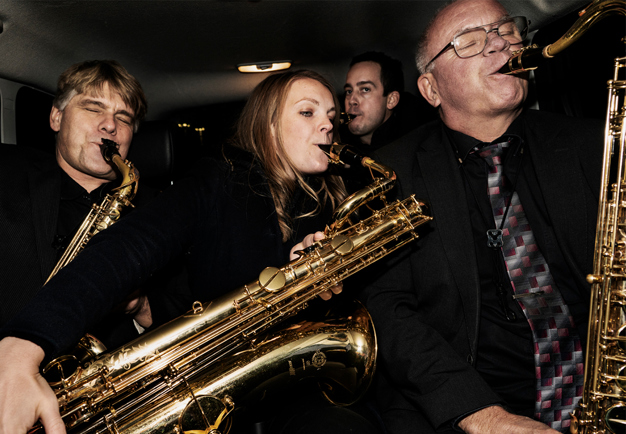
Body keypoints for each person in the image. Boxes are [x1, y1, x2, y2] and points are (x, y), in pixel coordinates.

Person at [0, 69, 380, 434]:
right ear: (268, 125)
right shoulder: (217, 179)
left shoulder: (336, 201)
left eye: (331, 115)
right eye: (307, 112)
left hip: (297, 387)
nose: (329, 124)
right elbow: (129, 248)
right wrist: (24, 345)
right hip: (210, 385)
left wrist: (319, 284)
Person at [359, 1, 605, 433]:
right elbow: (389, 312)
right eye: (469, 41)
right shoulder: (388, 174)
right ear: (431, 89)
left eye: (507, 30)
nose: (500, 44)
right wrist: (482, 416)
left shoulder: (594, 144)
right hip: (464, 408)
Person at [0, 60, 152, 347]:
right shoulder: (6, 171)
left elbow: (187, 307)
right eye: (93, 108)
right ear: (56, 117)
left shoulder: (155, 209)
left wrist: (141, 305)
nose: (110, 125)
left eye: (124, 117)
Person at [341, 51, 436, 153]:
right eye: (349, 91)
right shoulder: (337, 145)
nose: (351, 100)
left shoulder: (420, 149)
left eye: (365, 89)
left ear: (391, 100)